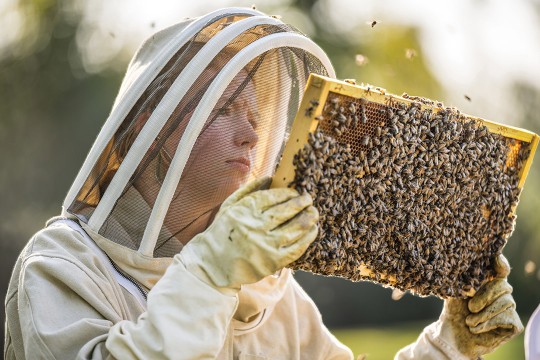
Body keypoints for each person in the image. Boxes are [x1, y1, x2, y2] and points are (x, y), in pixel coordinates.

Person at [4, 7, 523, 359]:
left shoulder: (271, 295)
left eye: (259, 115)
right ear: (153, 125)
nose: (253, 134)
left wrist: (448, 344)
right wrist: (208, 277)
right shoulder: (62, 269)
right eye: (225, 108)